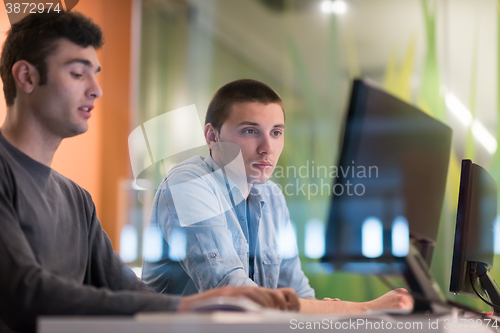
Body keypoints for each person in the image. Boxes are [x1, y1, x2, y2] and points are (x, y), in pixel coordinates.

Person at [0, 12, 299, 333]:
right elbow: (23, 293)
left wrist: (193, 309)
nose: (96, 90)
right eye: (77, 73)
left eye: (96, 75)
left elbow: (126, 288)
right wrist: (186, 306)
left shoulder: (76, 200)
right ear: (27, 78)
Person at [142, 79, 414, 314]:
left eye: (276, 133)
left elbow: (297, 292)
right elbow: (232, 296)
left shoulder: (271, 197)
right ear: (212, 136)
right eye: (250, 131)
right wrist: (364, 308)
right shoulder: (189, 184)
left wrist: (329, 312)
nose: (267, 148)